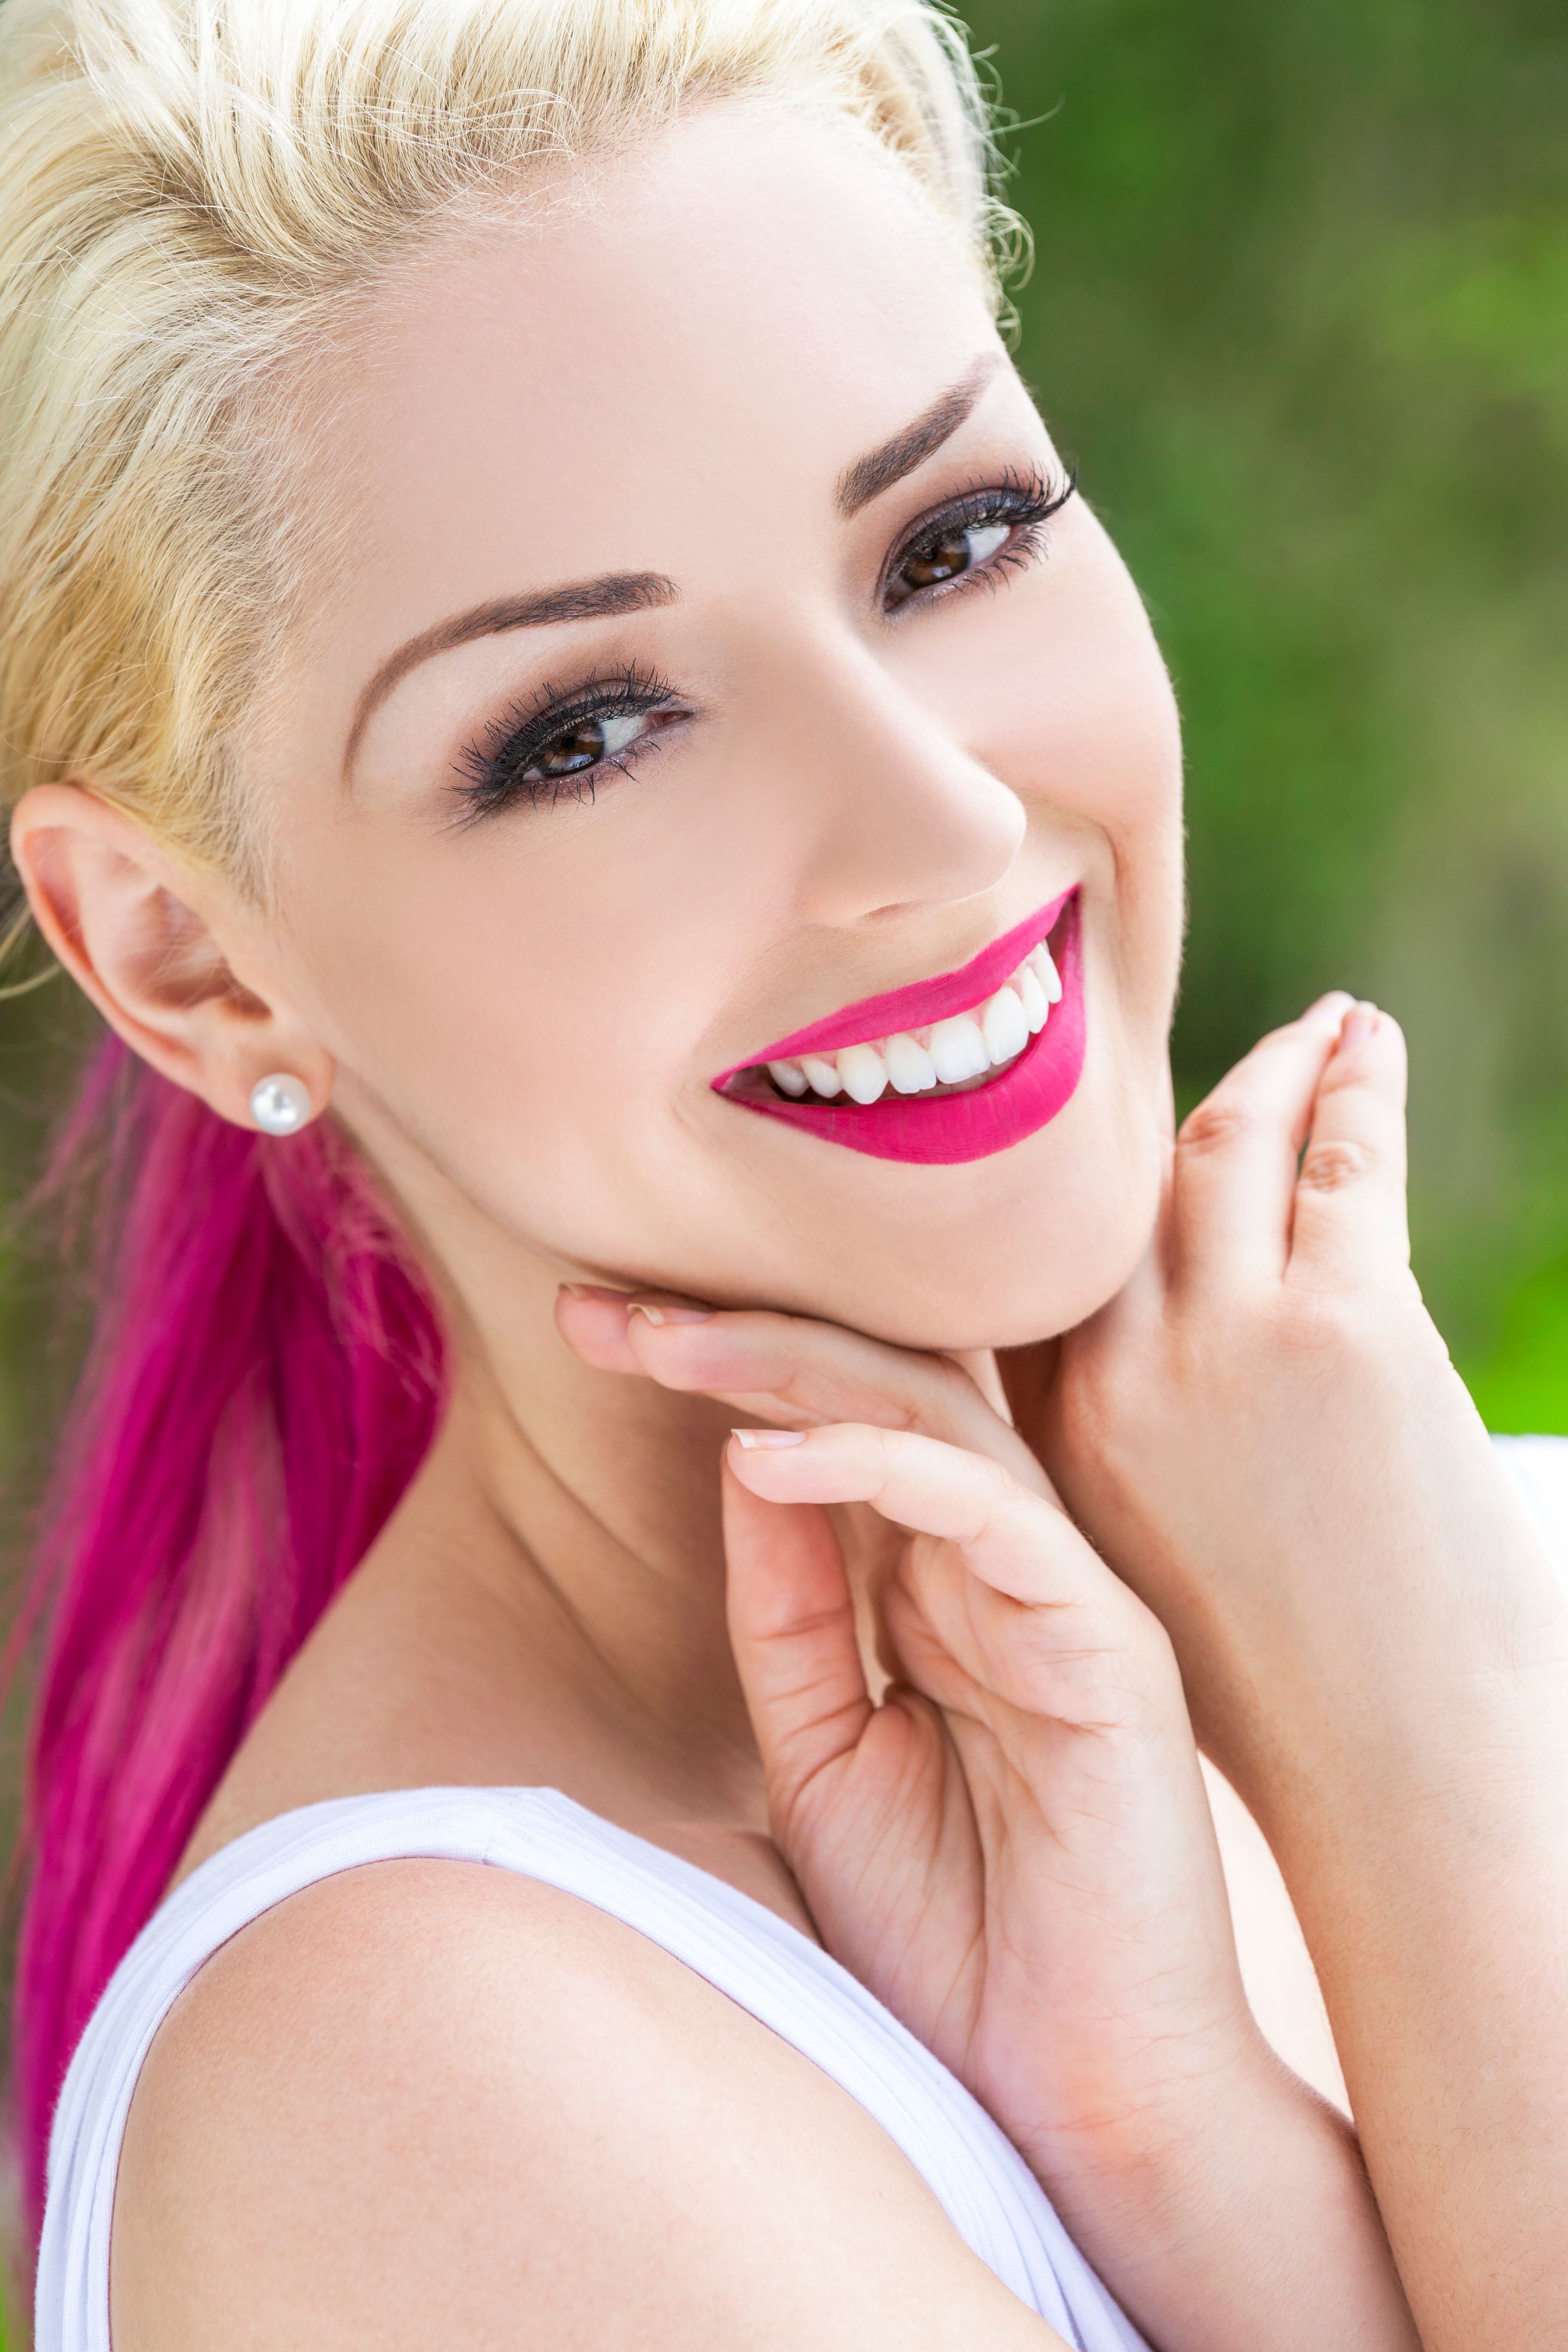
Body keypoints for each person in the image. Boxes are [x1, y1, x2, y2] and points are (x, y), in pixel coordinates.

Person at [1, 2, 1564, 2346]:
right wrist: (1431, 1755)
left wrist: (1195, 2151)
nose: (936, 819)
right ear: (193, 965)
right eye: (586, 733)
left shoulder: (1443, 1548)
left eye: (954, 541)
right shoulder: (431, 2090)